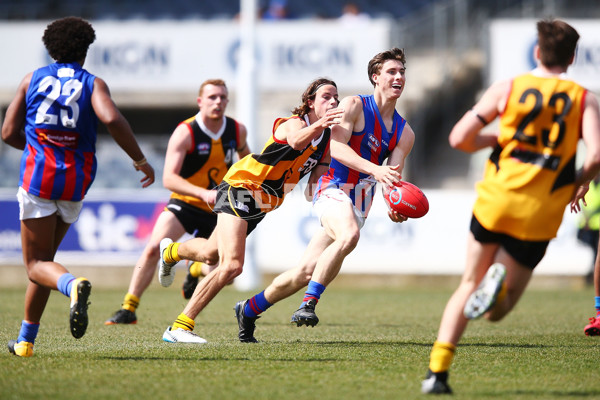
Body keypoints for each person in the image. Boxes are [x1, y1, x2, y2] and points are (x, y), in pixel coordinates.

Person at [421, 19, 600, 394]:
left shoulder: (508, 88)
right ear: (571, 57)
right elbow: (597, 154)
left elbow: (459, 138)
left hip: (497, 199)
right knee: (498, 312)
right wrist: (576, 181)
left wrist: (498, 135)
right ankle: (497, 288)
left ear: (537, 52)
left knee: (467, 284)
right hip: (540, 210)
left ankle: (437, 372)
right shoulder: (584, 98)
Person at [234, 47, 415, 343]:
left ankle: (249, 309)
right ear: (375, 77)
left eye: (402, 72)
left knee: (305, 270)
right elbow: (336, 148)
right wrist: (376, 170)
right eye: (391, 72)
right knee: (349, 236)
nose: (399, 77)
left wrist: (395, 202)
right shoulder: (355, 105)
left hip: (360, 202)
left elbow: (392, 176)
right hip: (332, 189)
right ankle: (309, 304)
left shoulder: (405, 133)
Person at [1, 17, 155, 357]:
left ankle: (73, 285)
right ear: (85, 51)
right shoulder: (92, 83)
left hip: (39, 178)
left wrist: (36, 148)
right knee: (45, 265)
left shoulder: (32, 79)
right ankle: (25, 342)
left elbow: (7, 132)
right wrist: (140, 160)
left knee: (36, 265)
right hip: (76, 180)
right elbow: (112, 118)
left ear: (50, 49)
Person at [157, 77, 343, 343]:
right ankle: (179, 327)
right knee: (232, 266)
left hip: (264, 202)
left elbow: (314, 184)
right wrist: (322, 124)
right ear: (310, 102)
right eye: (326, 96)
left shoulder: (326, 141)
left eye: (336, 97)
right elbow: (296, 143)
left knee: (211, 255)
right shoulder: (294, 123)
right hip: (242, 187)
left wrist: (332, 188)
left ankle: (171, 251)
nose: (334, 101)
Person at [104, 79, 249, 325]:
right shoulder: (186, 131)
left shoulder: (237, 130)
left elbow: (247, 162)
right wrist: (202, 193)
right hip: (188, 201)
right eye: (212, 97)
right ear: (200, 101)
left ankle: (194, 269)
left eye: (223, 97)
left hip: (219, 206)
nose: (218, 102)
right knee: (153, 247)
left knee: (229, 271)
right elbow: (169, 178)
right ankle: (128, 308)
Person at [576, 176, 600, 285]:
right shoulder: (586, 186)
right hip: (587, 224)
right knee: (595, 252)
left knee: (596, 252)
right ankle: (593, 273)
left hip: (597, 224)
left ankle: (593, 274)